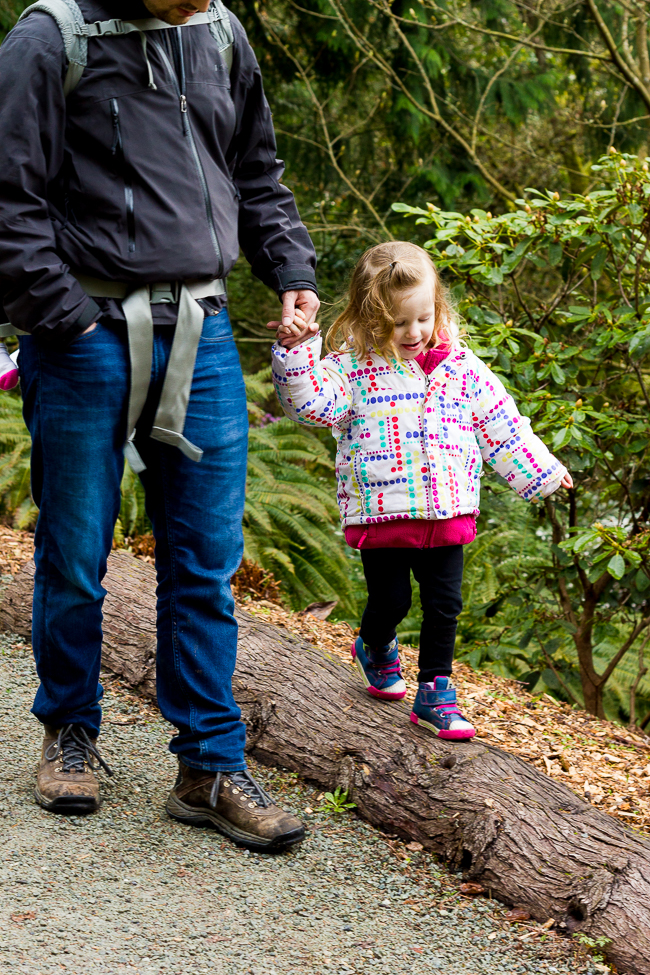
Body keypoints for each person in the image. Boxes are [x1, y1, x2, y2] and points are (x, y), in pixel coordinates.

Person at [0, 0, 319, 851]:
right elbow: (8, 198)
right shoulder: (49, 39)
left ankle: (209, 764)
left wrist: (288, 265)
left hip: (205, 334)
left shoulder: (216, 32)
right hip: (84, 337)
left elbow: (256, 166)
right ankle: (69, 730)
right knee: (74, 552)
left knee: (205, 561)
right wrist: (64, 317)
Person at [271, 241, 572, 739]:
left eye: (422, 319)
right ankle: (373, 644)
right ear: (370, 318)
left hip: (448, 506)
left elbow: (500, 421)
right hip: (381, 510)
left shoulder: (461, 366)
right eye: (397, 323)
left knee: (444, 604)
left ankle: (436, 690)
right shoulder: (352, 370)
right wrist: (295, 352)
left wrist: (539, 468)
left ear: (438, 310)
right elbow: (310, 404)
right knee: (391, 602)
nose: (413, 333)